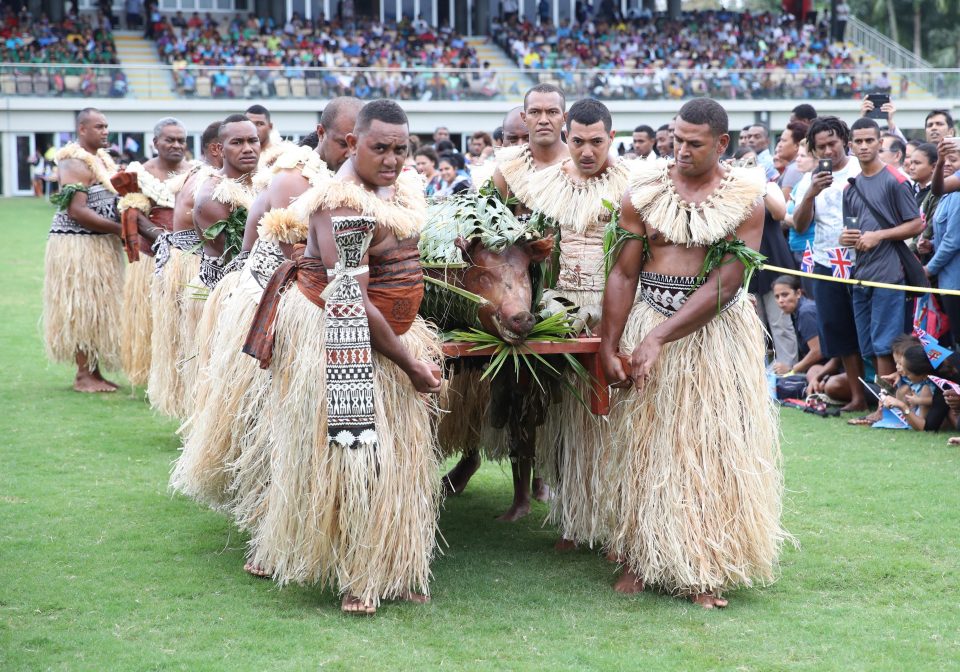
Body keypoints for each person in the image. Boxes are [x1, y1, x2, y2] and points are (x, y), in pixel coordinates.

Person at [241, 99, 443, 615]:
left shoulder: (398, 188)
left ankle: (393, 566)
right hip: (343, 338)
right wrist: (411, 363)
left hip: (391, 339)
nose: (393, 159)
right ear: (351, 144)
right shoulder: (341, 204)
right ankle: (356, 575)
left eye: (402, 148)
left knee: (399, 463)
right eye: (380, 148)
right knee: (353, 459)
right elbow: (349, 296)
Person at [600, 98, 787, 608]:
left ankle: (704, 564)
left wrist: (661, 337)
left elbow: (729, 280)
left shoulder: (745, 200)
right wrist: (611, 345)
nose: (680, 150)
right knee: (646, 448)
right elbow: (622, 272)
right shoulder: (642, 193)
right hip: (646, 318)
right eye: (675, 138)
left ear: (721, 144)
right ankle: (641, 555)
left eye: (693, 143)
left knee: (707, 452)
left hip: (713, 337)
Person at [173, 100, 363, 575]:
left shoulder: (355, 183)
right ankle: (265, 529)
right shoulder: (296, 178)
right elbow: (293, 257)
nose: (353, 148)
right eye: (345, 140)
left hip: (304, 303)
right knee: (266, 420)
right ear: (322, 133)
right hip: (269, 305)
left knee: (296, 422)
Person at [522, 98, 632, 552]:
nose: (587, 151)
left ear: (611, 137)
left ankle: (614, 523)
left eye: (597, 142)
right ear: (566, 137)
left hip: (615, 313)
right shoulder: (544, 185)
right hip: (560, 313)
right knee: (566, 420)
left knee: (615, 422)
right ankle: (570, 520)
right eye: (579, 141)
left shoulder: (633, 185)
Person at [43, 108, 129, 393]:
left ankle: (94, 371)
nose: (105, 131)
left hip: (99, 245)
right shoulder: (72, 161)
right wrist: (120, 230)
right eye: (99, 126)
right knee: (82, 309)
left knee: (98, 310)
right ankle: (83, 375)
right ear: (82, 129)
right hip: (78, 246)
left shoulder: (102, 159)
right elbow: (77, 210)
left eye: (106, 126)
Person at [147, 121, 221, 418]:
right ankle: (200, 414)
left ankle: (197, 413)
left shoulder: (195, 173)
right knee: (197, 344)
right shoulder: (208, 182)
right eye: (240, 143)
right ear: (218, 148)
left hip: (183, 262)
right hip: (192, 265)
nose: (250, 150)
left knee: (191, 343)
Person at [791, 116, 866, 411]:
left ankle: (882, 396)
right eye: (821, 146)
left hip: (862, 262)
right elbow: (798, 225)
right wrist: (811, 193)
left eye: (832, 143)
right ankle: (858, 397)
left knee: (865, 329)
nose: (828, 151)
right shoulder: (811, 179)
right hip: (826, 261)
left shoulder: (860, 169)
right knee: (838, 328)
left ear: (844, 140)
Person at [841, 117, 923, 386]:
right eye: (858, 141)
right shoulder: (851, 187)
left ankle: (887, 408)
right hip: (861, 272)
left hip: (889, 272)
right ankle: (881, 402)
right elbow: (852, 230)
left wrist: (880, 235)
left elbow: (917, 223)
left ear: (879, 142)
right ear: (850, 145)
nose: (864, 146)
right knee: (867, 344)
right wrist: (846, 237)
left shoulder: (895, 180)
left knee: (885, 343)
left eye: (869, 140)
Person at [114, 117, 190, 387]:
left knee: (183, 316)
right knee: (148, 317)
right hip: (151, 258)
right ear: (155, 142)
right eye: (170, 140)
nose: (176, 145)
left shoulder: (194, 172)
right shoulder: (139, 174)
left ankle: (181, 371)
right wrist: (162, 239)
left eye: (181, 140)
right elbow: (133, 211)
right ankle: (147, 373)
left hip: (188, 259)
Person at [925, 143, 960, 345]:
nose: (946, 164)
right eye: (942, 160)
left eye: (953, 160)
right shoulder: (947, 194)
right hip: (947, 280)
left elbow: (953, 240)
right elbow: (937, 189)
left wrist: (930, 268)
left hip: (955, 280)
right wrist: (930, 243)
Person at [771, 275, 824, 374]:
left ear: (798, 293)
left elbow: (818, 351)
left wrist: (791, 370)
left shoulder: (806, 312)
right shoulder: (797, 312)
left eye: (785, 295)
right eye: (777, 297)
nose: (780, 300)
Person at [879, 345, 937, 431]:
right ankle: (907, 418)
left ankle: (919, 422)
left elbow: (937, 400)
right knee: (903, 389)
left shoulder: (929, 385)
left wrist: (918, 401)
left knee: (924, 390)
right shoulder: (917, 375)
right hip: (915, 405)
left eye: (908, 373)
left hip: (927, 413)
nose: (905, 375)